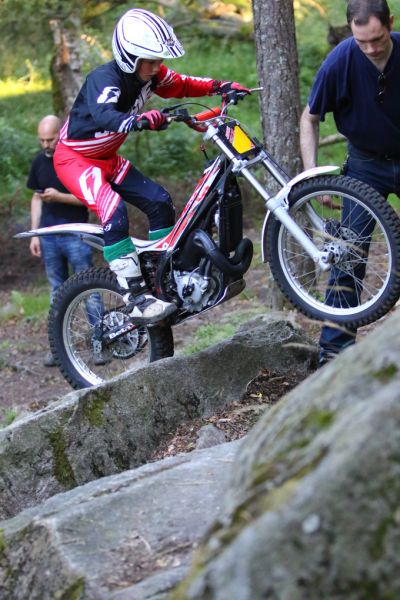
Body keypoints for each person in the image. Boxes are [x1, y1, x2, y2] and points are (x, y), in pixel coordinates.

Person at [53, 7, 250, 326]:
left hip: (108, 159)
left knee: (160, 201)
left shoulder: (152, 76)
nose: (158, 66)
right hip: (76, 159)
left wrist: (221, 86)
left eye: (158, 60)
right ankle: (135, 297)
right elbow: (105, 116)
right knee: (112, 209)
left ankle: (165, 278)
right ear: (129, 57)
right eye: (151, 60)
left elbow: (183, 84)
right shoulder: (104, 79)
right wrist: (139, 120)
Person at [299, 0, 400, 366]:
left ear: (390, 23)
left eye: (378, 39)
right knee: (348, 251)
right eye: (362, 42)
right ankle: (334, 350)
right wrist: (314, 177)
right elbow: (309, 119)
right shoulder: (340, 61)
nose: (371, 48)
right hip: (364, 165)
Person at [28, 115, 94, 366]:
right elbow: (36, 198)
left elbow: (88, 198)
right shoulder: (38, 162)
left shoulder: (74, 159)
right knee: (57, 291)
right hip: (49, 236)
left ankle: (100, 341)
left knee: (88, 286)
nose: (46, 144)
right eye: (42, 140)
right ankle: (59, 347)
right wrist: (35, 233)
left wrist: (59, 197)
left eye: (50, 139)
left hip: (76, 233)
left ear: (60, 134)